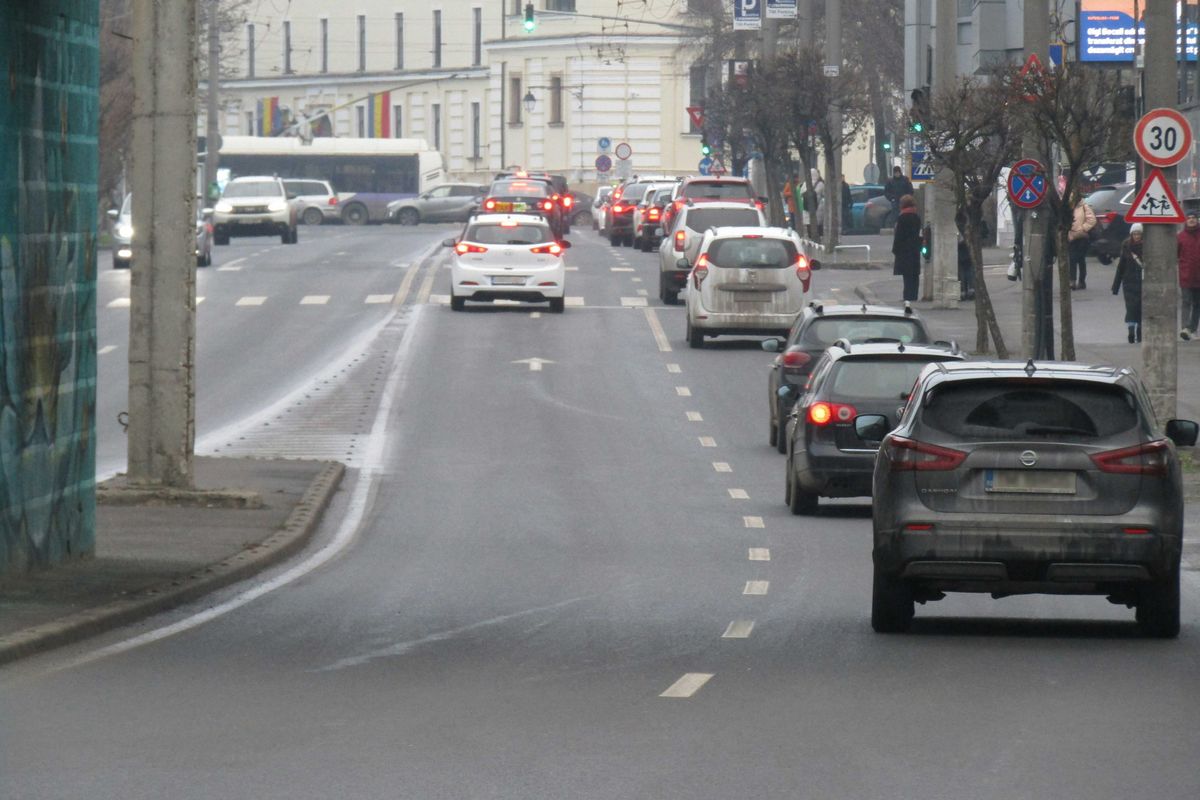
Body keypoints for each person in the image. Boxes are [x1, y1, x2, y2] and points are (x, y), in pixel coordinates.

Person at [1112, 223, 1144, 343]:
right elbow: (1121, 267)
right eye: (1135, 234)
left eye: (1139, 234)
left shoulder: (1147, 247)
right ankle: (1131, 332)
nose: (1137, 236)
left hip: (1142, 283)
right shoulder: (1126, 247)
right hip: (1129, 283)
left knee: (1141, 308)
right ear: (1131, 234)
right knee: (1131, 308)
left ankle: (1139, 332)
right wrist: (1115, 286)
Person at [892, 194, 923, 302]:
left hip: (904, 250)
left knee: (907, 276)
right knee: (915, 274)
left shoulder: (902, 218)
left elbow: (899, 235)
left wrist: (895, 250)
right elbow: (919, 234)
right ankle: (914, 295)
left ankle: (907, 296)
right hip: (914, 250)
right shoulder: (917, 217)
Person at [1068, 197, 1097, 289]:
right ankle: (1072, 280)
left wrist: (1082, 229)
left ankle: (1081, 281)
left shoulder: (1084, 206)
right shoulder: (1068, 207)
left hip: (1082, 237)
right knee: (1072, 258)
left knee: (1080, 259)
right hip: (1070, 237)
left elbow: (1092, 220)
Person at [1179, 210, 1200, 339]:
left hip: (1199, 277)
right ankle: (1185, 328)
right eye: (1189, 218)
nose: (1191, 220)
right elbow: (1176, 254)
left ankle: (1193, 329)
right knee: (1186, 301)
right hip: (1186, 276)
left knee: (1197, 304)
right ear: (1186, 220)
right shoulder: (1180, 237)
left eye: (1194, 217)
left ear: (1197, 220)